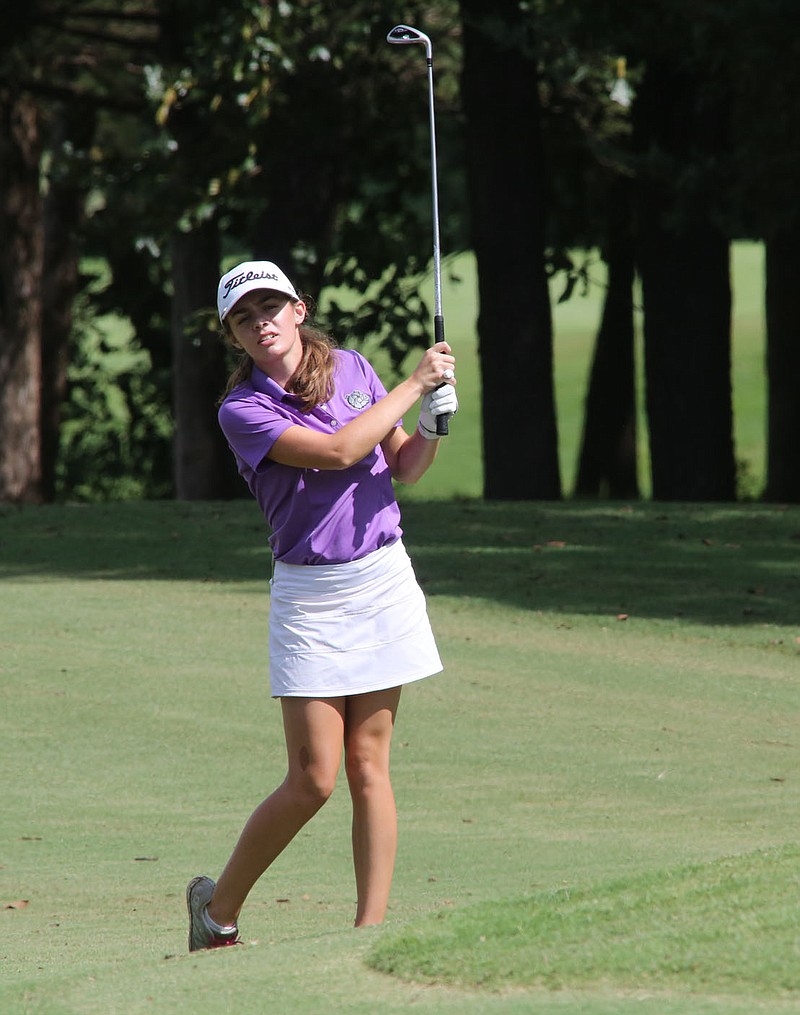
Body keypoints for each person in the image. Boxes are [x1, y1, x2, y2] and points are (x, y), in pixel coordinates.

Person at [186, 259, 458, 950]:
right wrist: (416, 382)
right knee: (313, 778)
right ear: (236, 339)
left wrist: (431, 421)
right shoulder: (241, 408)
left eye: (272, 308)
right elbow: (339, 450)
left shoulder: (353, 368)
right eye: (245, 319)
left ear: (299, 310)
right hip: (311, 596)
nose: (262, 323)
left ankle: (367, 933)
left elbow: (404, 467)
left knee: (371, 763)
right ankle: (217, 911)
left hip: (382, 580)